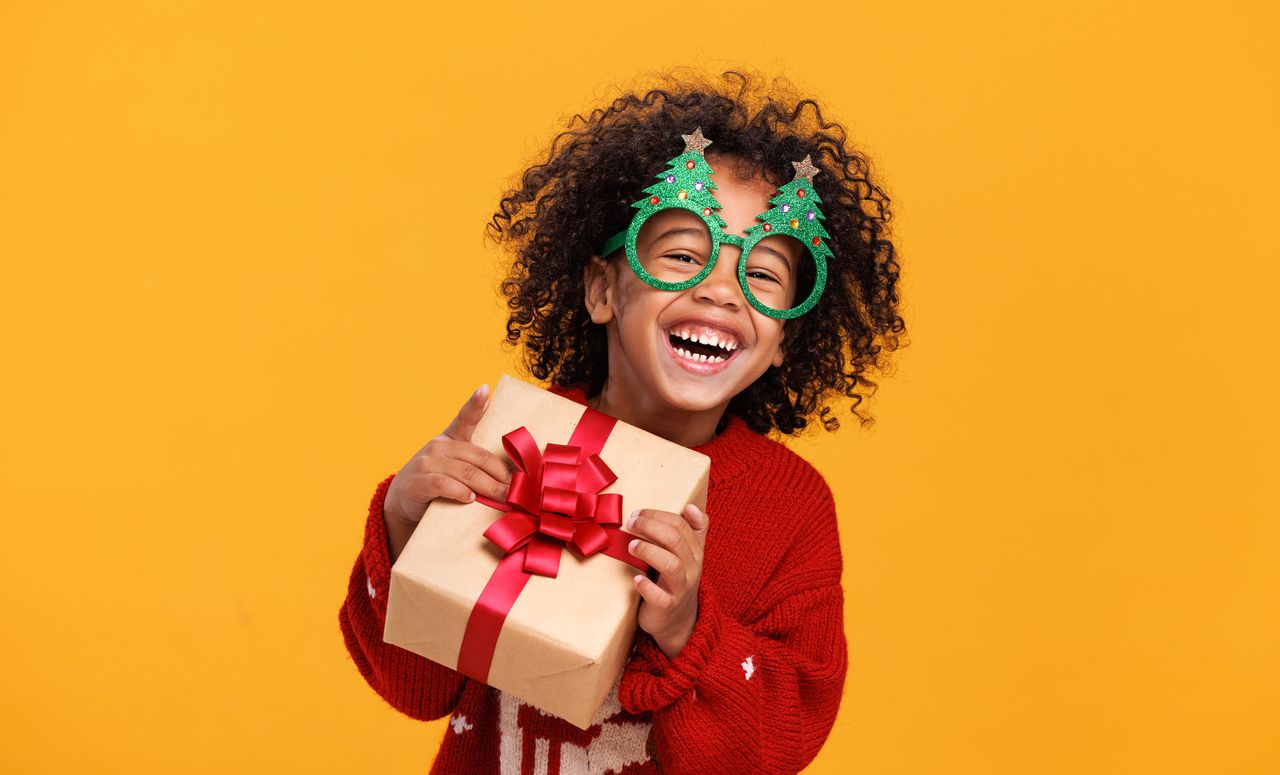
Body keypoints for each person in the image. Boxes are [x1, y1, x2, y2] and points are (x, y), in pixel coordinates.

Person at [339, 69, 907, 774]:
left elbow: (775, 747)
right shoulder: (516, 443)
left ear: (786, 336)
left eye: (761, 275)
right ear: (603, 289)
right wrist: (403, 519)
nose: (722, 290)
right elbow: (414, 686)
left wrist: (688, 630)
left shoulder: (792, 507)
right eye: (682, 256)